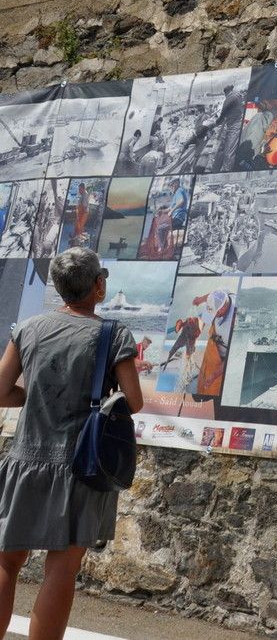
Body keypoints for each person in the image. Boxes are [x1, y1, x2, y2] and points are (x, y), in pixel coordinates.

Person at [0, 248, 142, 639]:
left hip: (26, 458)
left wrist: (30, 395)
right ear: (98, 286)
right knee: (61, 569)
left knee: (7, 561)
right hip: (82, 466)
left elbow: (1, 390)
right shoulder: (114, 335)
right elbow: (134, 401)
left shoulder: (28, 329)